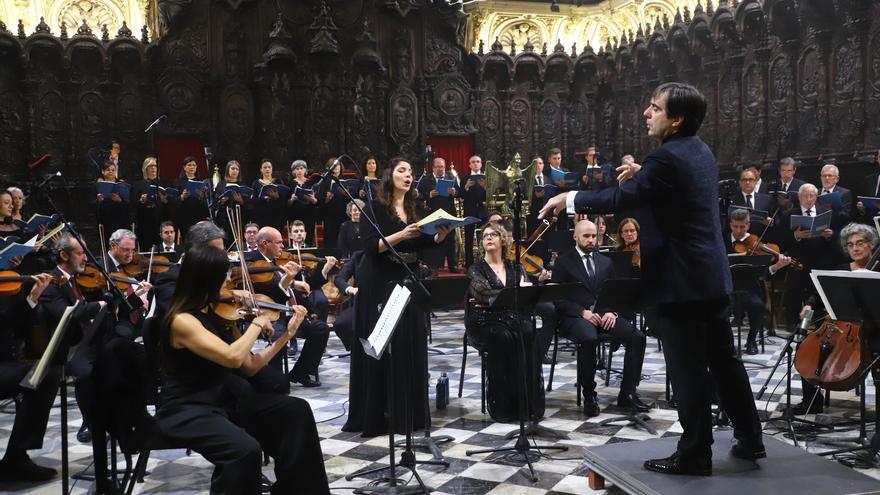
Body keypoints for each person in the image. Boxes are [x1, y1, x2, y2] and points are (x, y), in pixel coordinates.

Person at [540, 82, 765, 474]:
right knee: (726, 363)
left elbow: (619, 200)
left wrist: (569, 198)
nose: (646, 113)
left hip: (680, 283)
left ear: (676, 119)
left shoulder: (665, 158)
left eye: (654, 108)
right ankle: (750, 440)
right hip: (710, 277)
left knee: (687, 370)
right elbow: (676, 188)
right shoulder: (699, 150)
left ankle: (695, 454)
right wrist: (645, 173)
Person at [156, 244, 329, 494]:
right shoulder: (182, 320)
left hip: (223, 402)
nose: (230, 280)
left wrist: (286, 334)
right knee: (245, 450)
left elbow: (249, 366)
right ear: (206, 279)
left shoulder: (218, 313)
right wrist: (257, 323)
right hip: (187, 408)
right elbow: (232, 358)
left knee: (295, 411)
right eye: (225, 275)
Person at [342, 157, 452, 436]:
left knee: (408, 344)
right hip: (379, 282)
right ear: (389, 175)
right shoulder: (374, 208)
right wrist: (401, 235)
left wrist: (440, 235)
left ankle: (408, 415)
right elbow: (369, 247)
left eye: (411, 171)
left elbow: (425, 242)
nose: (408, 175)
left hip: (408, 279)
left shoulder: (415, 207)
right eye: (402, 170)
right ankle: (378, 415)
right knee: (384, 348)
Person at [550, 220, 647, 416]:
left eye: (593, 236)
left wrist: (612, 312)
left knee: (637, 337)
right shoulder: (563, 262)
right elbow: (557, 297)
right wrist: (582, 312)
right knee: (589, 339)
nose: (591, 240)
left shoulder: (605, 262)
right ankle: (589, 394)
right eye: (586, 236)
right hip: (576, 316)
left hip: (604, 314)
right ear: (575, 237)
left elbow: (614, 292)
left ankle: (627, 392)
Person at [793, 222, 879, 414]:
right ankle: (811, 400)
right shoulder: (841, 269)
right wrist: (809, 304)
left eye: (860, 243)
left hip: (872, 327)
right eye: (850, 244)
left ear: (871, 245)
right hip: (840, 326)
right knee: (805, 344)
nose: (855, 248)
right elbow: (819, 292)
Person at [466, 221, 544, 422]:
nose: (489, 238)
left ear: (502, 240)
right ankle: (503, 406)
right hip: (484, 321)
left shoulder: (515, 266)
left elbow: (524, 294)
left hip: (512, 317)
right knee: (503, 337)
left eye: (493, 234)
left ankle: (527, 405)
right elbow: (482, 294)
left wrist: (512, 294)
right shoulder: (476, 269)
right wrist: (514, 292)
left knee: (528, 330)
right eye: (485, 236)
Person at [245, 227, 332, 386]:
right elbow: (275, 293)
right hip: (270, 315)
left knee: (321, 328)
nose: (283, 246)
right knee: (278, 335)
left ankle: (300, 373)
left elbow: (289, 290)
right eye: (279, 242)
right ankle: (276, 381)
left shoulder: (274, 261)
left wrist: (307, 307)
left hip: (290, 313)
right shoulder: (251, 261)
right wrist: (288, 279)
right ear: (265, 243)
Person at [0, 271, 57, 482]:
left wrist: (32, 298)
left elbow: (13, 326)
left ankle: (16, 456)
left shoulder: (7, 289)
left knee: (44, 375)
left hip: (5, 363)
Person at [724, 209, 793, 354]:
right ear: (730, 225)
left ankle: (751, 342)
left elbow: (763, 274)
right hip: (726, 289)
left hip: (749, 288)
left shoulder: (755, 243)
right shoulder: (722, 241)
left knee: (758, 306)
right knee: (718, 308)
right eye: (735, 226)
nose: (738, 231)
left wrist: (778, 265)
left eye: (742, 227)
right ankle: (726, 343)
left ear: (748, 225)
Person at [417, 156, 460, 272]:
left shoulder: (451, 177)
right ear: (433, 168)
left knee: (451, 239)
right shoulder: (426, 179)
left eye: (442, 167)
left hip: (448, 212)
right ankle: (434, 265)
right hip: (432, 213)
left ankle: (453, 265)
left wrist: (454, 192)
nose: (440, 169)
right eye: (438, 167)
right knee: (433, 238)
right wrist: (429, 194)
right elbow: (418, 195)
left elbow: (459, 192)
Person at [131, 157, 169, 250]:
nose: (153, 168)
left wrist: (165, 200)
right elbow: (133, 203)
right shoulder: (138, 185)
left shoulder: (163, 183)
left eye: (155, 166)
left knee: (162, 248)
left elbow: (170, 203)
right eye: (150, 166)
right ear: (145, 168)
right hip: (145, 222)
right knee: (146, 249)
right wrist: (141, 201)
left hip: (160, 220)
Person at [461, 155, 489, 266]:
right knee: (468, 239)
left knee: (484, 237)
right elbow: (461, 196)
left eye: (478, 161)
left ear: (481, 164)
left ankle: (484, 263)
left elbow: (491, 197)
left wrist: (486, 188)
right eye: (473, 162)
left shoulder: (486, 177)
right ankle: (469, 264)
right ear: (469, 165)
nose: (476, 163)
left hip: (483, 211)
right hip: (469, 211)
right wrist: (466, 187)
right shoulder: (465, 178)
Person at [174, 156, 210, 241]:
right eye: (189, 165)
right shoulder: (178, 182)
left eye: (194, 165)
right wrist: (182, 196)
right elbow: (174, 201)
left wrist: (201, 196)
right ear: (184, 167)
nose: (192, 167)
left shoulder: (202, 182)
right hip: (185, 217)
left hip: (200, 217)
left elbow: (208, 202)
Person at [215, 160, 249, 244]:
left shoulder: (242, 184)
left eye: (237, 169)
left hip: (239, 217)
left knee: (239, 241)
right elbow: (215, 201)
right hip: (225, 218)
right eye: (232, 168)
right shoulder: (221, 184)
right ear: (228, 170)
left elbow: (248, 203)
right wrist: (222, 201)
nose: (235, 171)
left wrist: (240, 200)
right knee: (226, 241)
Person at [94, 161, 131, 237]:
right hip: (106, 221)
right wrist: (99, 201)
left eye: (113, 170)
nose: (110, 171)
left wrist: (120, 200)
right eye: (108, 170)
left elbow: (129, 203)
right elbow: (91, 204)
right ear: (103, 171)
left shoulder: (122, 185)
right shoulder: (97, 186)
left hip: (120, 219)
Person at [286, 160, 319, 246]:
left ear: (305, 170)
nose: (299, 170)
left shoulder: (312, 183)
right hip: (294, 214)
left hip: (309, 214)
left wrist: (313, 199)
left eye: (301, 168)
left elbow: (317, 202)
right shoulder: (289, 184)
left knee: (308, 237)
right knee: (296, 236)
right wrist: (292, 199)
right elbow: (286, 204)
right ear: (293, 171)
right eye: (297, 169)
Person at [318, 158, 349, 249]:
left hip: (344, 214)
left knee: (343, 239)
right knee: (331, 240)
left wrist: (346, 194)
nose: (336, 168)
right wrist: (326, 199)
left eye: (337, 165)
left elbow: (351, 199)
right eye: (333, 166)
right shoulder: (324, 181)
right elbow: (320, 200)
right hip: (330, 215)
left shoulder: (345, 181)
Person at [251, 159, 287, 233]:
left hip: (276, 215)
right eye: (265, 167)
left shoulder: (278, 181)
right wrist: (264, 198)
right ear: (261, 169)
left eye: (269, 167)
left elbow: (284, 199)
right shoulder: (256, 183)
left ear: (272, 168)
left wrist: (277, 197)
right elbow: (252, 200)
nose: (267, 169)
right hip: (261, 215)